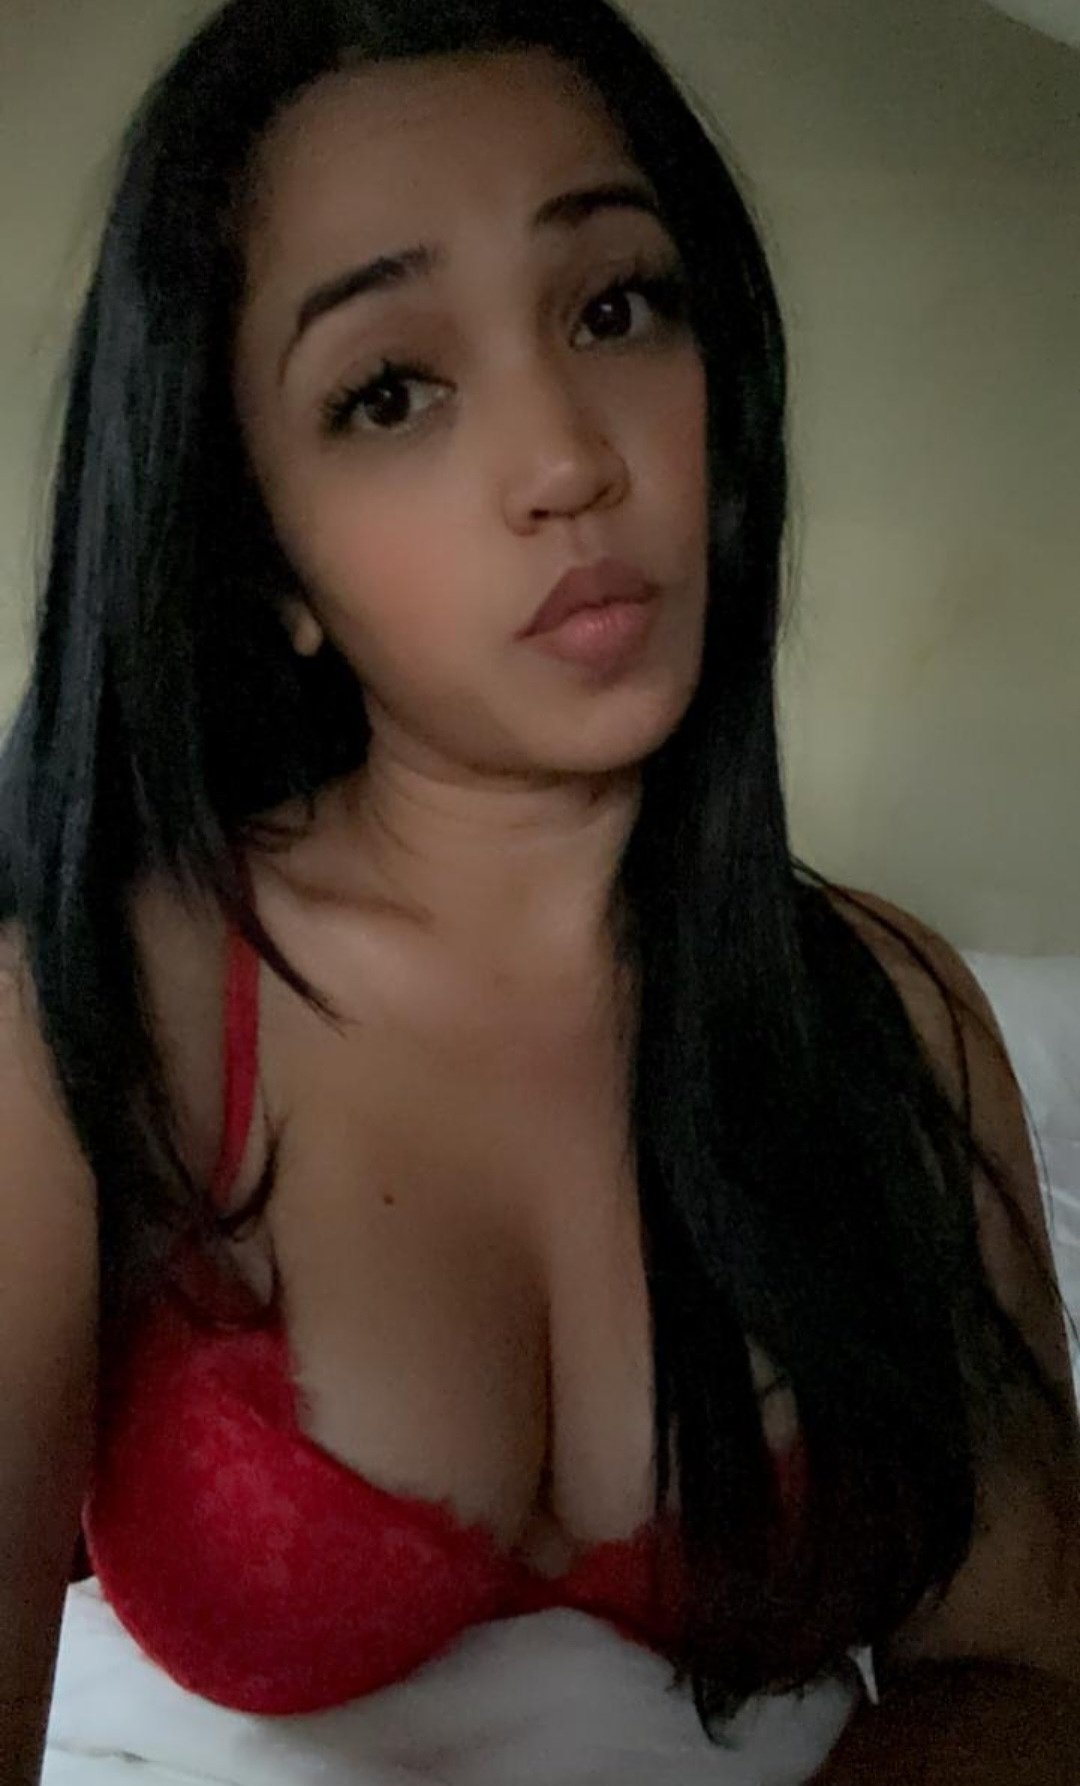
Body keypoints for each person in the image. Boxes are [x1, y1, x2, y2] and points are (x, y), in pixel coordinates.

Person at [1, 0, 1078, 1780]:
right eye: (390, 392)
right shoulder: (92, 1021)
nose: (571, 457)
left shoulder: (892, 1017)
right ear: (264, 553)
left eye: (616, 307)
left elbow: (1029, 1671)